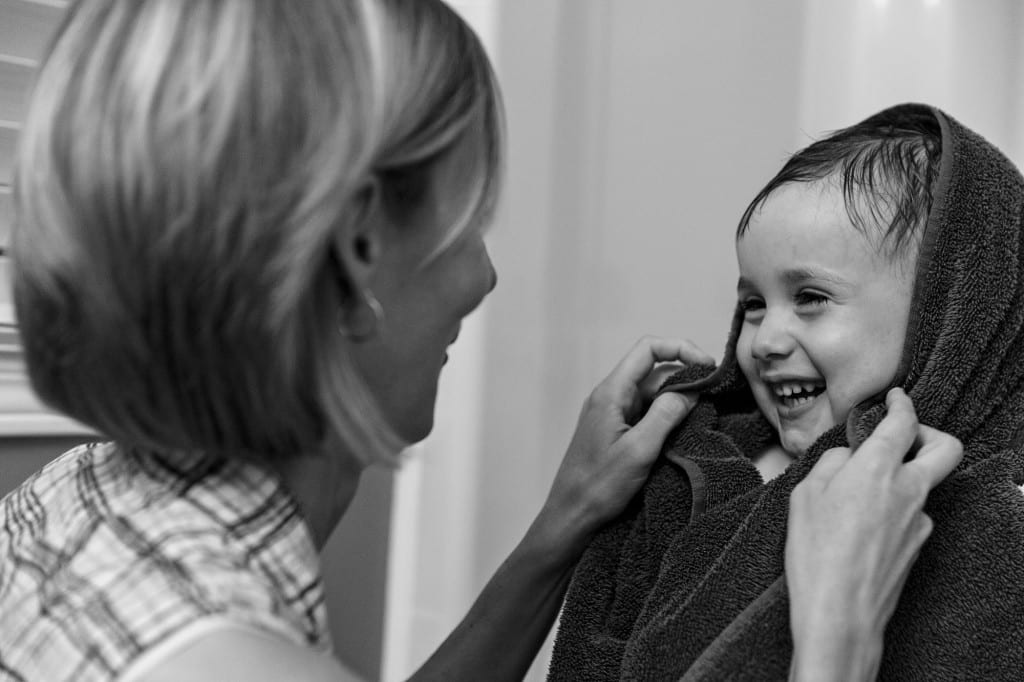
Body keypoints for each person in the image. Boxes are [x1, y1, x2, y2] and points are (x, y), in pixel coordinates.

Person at [0, 1, 961, 679]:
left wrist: (562, 524)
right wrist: (835, 637)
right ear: (359, 245)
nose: (485, 275)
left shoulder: (77, 498)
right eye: (467, 220)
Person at [550, 103, 1024, 680]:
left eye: (811, 298)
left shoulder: (993, 521)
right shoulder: (701, 461)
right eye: (753, 304)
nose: (766, 340)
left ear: (950, 313)